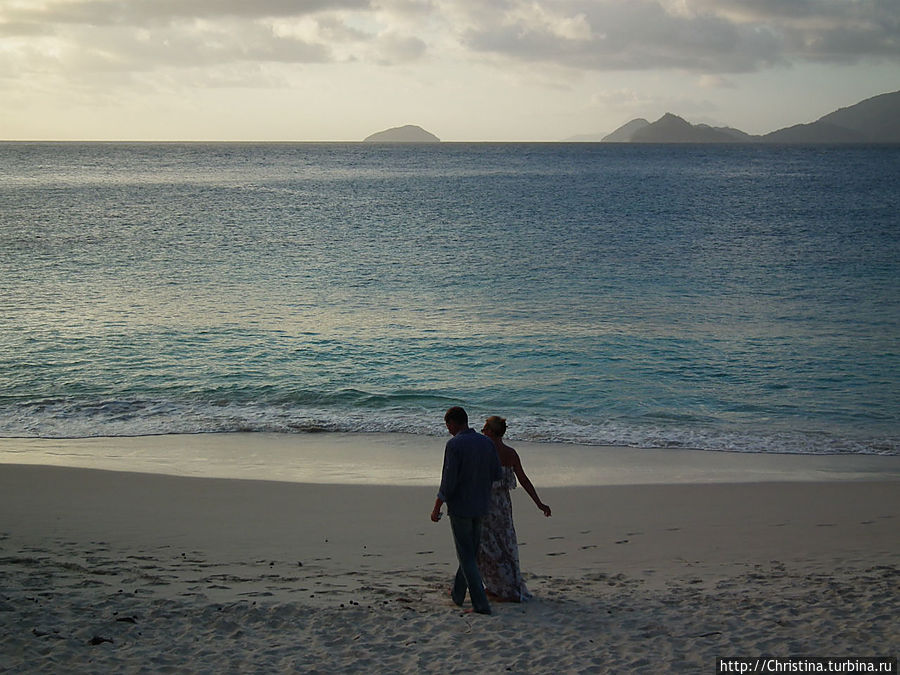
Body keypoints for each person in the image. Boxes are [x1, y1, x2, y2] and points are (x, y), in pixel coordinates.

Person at [431, 406, 502, 615]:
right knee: (470, 552)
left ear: (454, 422)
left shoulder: (454, 445)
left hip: (461, 506)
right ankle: (458, 593)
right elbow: (496, 473)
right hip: (481, 504)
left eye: (448, 425)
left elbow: (448, 480)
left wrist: (437, 505)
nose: (448, 429)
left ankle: (480, 603)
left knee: (466, 555)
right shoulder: (487, 443)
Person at [477, 415, 551, 602]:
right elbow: (524, 480)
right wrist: (539, 503)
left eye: (485, 428)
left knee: (487, 548)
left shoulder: (482, 452)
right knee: (505, 546)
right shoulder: (510, 453)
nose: (482, 431)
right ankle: (502, 586)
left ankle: (498, 587)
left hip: (485, 506)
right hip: (503, 507)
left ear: (492, 432)